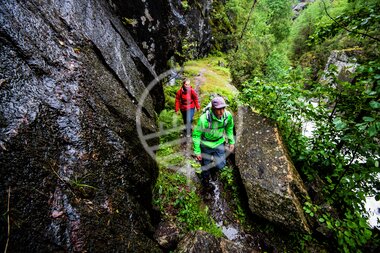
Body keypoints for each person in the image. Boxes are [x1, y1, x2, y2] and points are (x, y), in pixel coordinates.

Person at [192, 96, 235, 192]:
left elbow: (229, 128)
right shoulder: (204, 119)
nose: (222, 112)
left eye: (223, 108)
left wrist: (231, 141)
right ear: (213, 109)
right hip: (206, 145)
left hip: (219, 143)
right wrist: (197, 151)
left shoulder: (227, 116)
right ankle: (206, 184)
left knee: (221, 165)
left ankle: (214, 170)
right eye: (219, 109)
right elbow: (196, 135)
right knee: (205, 167)